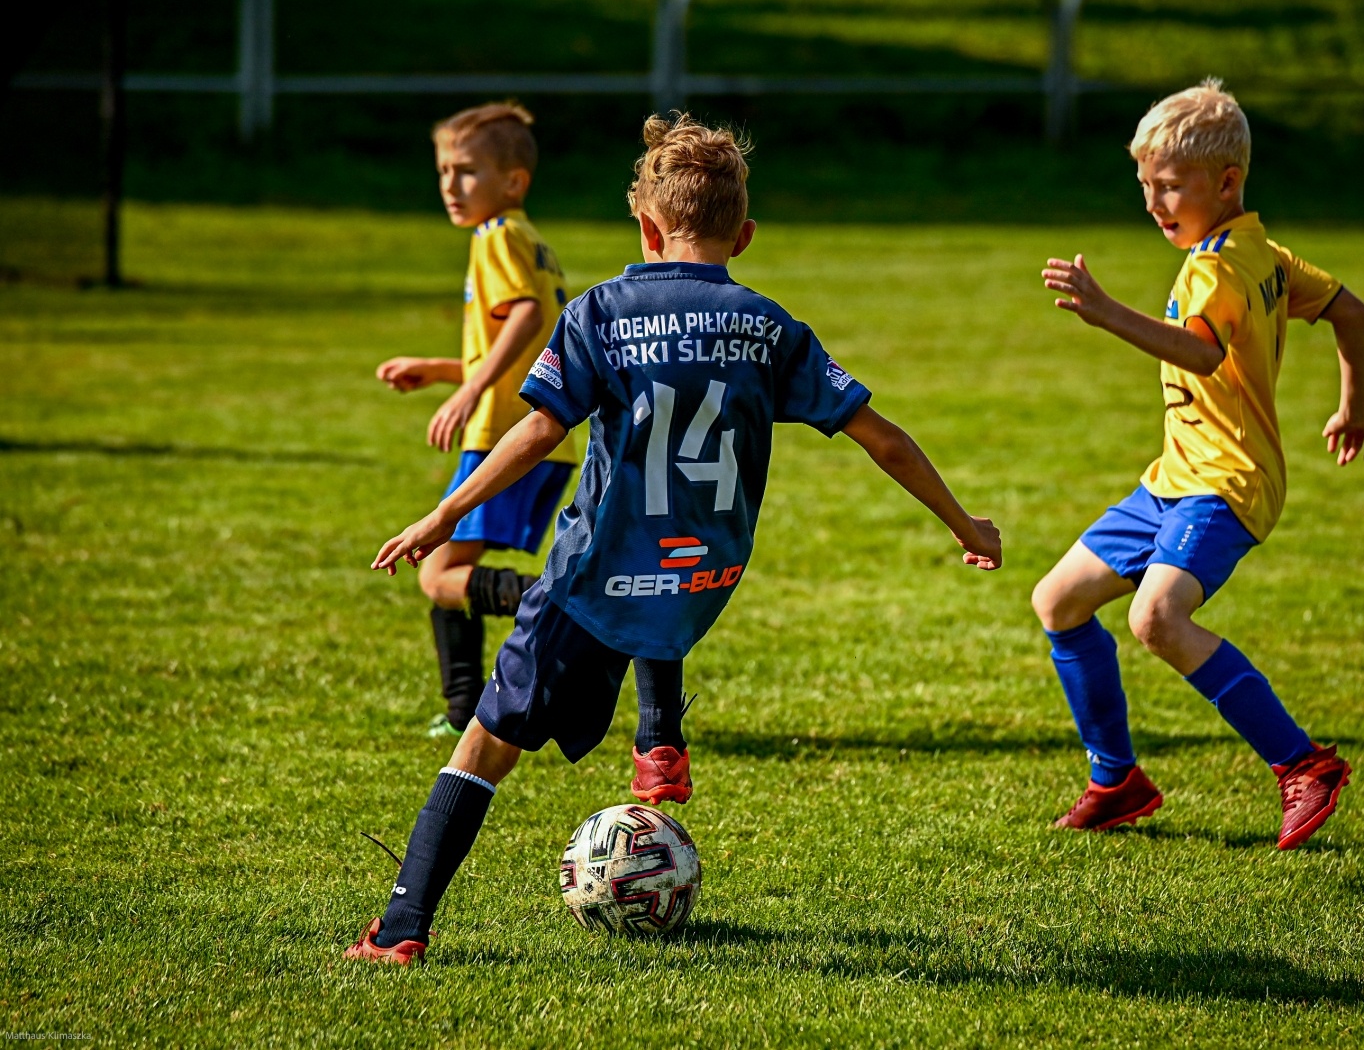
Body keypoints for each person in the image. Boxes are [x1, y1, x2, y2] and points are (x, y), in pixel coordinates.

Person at [344, 113, 1003, 963]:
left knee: (483, 744)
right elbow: (883, 438)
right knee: (653, 583)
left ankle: (400, 928)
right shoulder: (770, 327)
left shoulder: (601, 313)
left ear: (647, 230)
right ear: (745, 236)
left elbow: (539, 430)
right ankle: (659, 734)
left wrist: (444, 516)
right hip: (702, 577)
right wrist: (964, 522)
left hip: (592, 578)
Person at [1033, 79, 1364, 850]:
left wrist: (1106, 311)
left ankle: (1303, 763)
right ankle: (1116, 782)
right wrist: (1354, 408)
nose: (1153, 202)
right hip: (1174, 479)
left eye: (1169, 185)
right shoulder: (1261, 252)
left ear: (1226, 183)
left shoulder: (1216, 269)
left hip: (1225, 481)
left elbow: (1200, 351)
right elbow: (1350, 311)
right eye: (1144, 184)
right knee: (1059, 600)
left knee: (1156, 618)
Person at [374, 102, 579, 739]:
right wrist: (444, 371)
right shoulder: (529, 239)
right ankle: (463, 707)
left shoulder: (496, 236)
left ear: (513, 181)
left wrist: (471, 390)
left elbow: (525, 316)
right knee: (441, 568)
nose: (450, 184)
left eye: (466, 171)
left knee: (437, 575)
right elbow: (530, 335)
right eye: (443, 170)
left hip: (505, 436)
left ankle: (555, 606)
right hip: (538, 433)